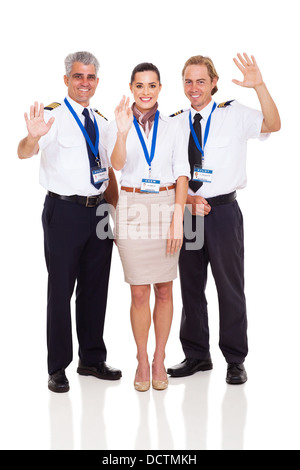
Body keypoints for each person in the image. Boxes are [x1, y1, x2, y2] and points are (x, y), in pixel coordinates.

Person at [167, 53, 281, 384]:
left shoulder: (234, 114)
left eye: (201, 80)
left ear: (214, 83)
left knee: (229, 287)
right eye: (188, 81)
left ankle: (234, 358)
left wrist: (259, 85)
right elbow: (166, 172)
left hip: (223, 213)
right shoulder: (175, 121)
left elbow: (273, 124)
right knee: (190, 286)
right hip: (188, 211)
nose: (194, 87)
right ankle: (196, 355)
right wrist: (187, 199)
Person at [17, 51, 122, 393]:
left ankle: (91, 358)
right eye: (78, 76)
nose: (84, 83)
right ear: (66, 80)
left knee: (96, 288)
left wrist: (114, 210)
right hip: (64, 212)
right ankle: (57, 367)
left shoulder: (103, 121)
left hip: (100, 212)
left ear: (96, 81)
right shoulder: (53, 117)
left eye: (90, 77)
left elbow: (108, 169)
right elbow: (24, 151)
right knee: (61, 289)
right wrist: (32, 136)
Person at [107, 63, 190, 391]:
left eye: (151, 85)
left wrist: (178, 218)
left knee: (165, 289)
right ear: (131, 88)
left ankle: (159, 358)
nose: (145, 92)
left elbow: (181, 172)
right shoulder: (120, 123)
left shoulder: (172, 127)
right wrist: (124, 132)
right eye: (139, 86)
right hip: (131, 206)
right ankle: (142, 359)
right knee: (139, 291)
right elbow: (116, 165)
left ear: (159, 88)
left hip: (166, 204)